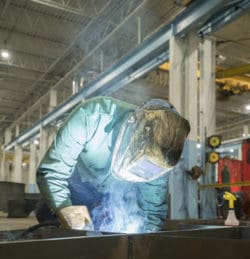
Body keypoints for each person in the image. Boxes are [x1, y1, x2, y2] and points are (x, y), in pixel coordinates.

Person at [36, 96, 190, 233]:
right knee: (46, 214)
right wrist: (64, 208)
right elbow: (52, 172)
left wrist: (146, 238)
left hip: (116, 197)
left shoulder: (160, 158)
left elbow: (152, 209)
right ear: (133, 128)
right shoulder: (91, 116)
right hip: (76, 188)